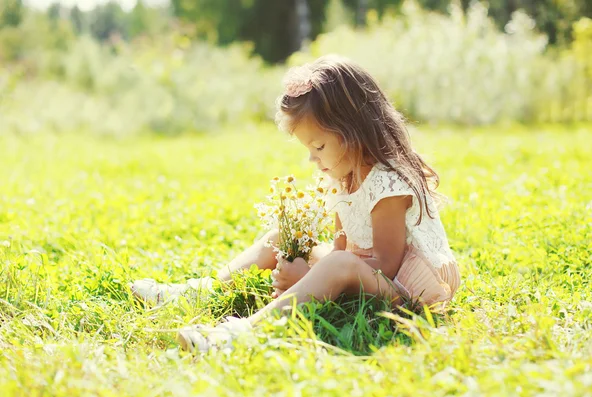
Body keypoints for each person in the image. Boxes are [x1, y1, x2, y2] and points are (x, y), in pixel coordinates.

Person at [131, 55, 461, 353]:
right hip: (367, 271)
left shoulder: (388, 183)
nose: (312, 158)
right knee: (281, 239)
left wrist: (309, 275)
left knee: (337, 265)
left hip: (410, 291)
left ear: (353, 132)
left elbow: (386, 267)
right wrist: (308, 268)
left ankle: (239, 334)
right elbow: (341, 248)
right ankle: (195, 291)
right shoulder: (345, 178)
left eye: (318, 146)